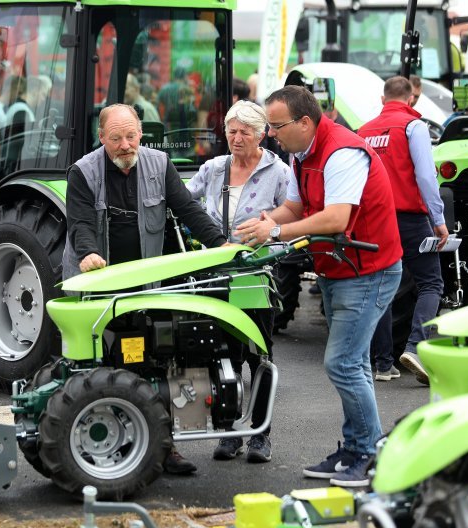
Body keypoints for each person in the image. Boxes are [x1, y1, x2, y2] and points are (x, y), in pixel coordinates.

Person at [235, 86, 402, 487]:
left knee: (342, 363)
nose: (271, 134)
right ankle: (357, 446)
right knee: (355, 363)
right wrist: (254, 229)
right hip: (341, 269)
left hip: (368, 270)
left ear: (304, 122)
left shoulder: (342, 152)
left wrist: (275, 230)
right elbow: (293, 207)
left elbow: (336, 219)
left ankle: (368, 453)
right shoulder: (303, 153)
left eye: (276, 126)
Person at [63, 103, 227, 474]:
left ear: (141, 133)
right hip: (100, 285)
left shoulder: (159, 164)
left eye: (131, 135)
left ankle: (164, 447)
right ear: (101, 137)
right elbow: (80, 223)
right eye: (116, 138)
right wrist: (88, 253)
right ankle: (111, 447)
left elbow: (188, 209)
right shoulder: (83, 172)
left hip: (148, 281)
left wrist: (219, 244)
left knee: (160, 360)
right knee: (106, 364)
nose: (125, 145)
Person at [186, 100, 291, 464]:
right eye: (231, 130)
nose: (236, 137)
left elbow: (292, 217)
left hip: (257, 274)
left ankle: (261, 435)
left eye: (245, 131)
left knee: (258, 354)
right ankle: (229, 433)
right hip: (216, 272)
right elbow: (183, 202)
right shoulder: (214, 169)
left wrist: (271, 232)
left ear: (261, 134)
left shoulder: (278, 172)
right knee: (220, 352)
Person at [358, 77, 448, 385]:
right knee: (431, 283)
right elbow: (425, 176)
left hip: (372, 220)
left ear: (383, 100)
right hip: (409, 219)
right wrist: (438, 219)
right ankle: (415, 348)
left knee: (383, 287)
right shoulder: (414, 127)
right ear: (410, 100)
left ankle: (383, 365)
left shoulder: (364, 131)